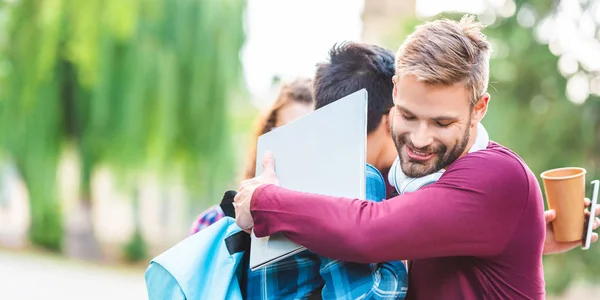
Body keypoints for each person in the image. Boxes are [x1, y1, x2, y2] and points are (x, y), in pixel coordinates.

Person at [233, 15, 568, 299]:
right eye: (408, 115)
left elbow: (368, 232)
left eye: (442, 122)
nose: (420, 140)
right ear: (395, 92)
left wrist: (264, 200)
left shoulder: (497, 176)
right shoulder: (406, 179)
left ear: (478, 109)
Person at [246, 42, 408, 300]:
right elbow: (365, 296)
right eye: (408, 117)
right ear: (391, 119)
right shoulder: (359, 178)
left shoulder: (283, 177)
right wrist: (401, 255)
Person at [188, 77, 314, 235]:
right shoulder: (215, 223)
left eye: (310, 133)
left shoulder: (342, 227)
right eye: (287, 133)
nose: (298, 146)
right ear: (266, 136)